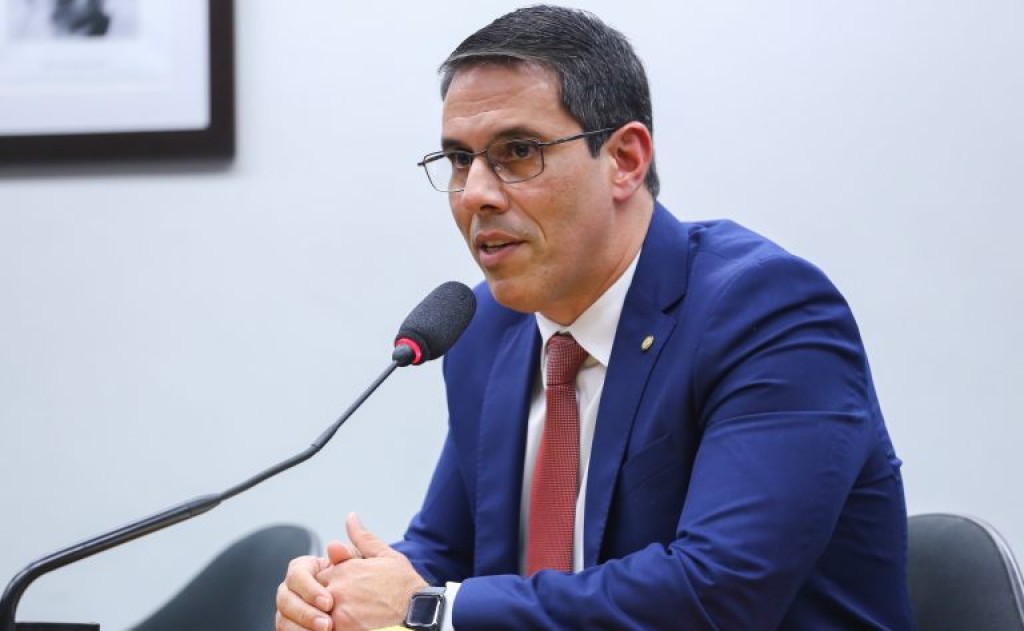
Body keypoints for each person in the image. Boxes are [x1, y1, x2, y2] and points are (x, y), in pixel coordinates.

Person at [276, 5, 913, 630]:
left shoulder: (766, 313)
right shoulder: (486, 330)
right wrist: (339, 597)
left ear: (625, 160)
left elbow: (717, 594)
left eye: (517, 152)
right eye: (461, 160)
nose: (476, 195)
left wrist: (429, 610)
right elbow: (445, 552)